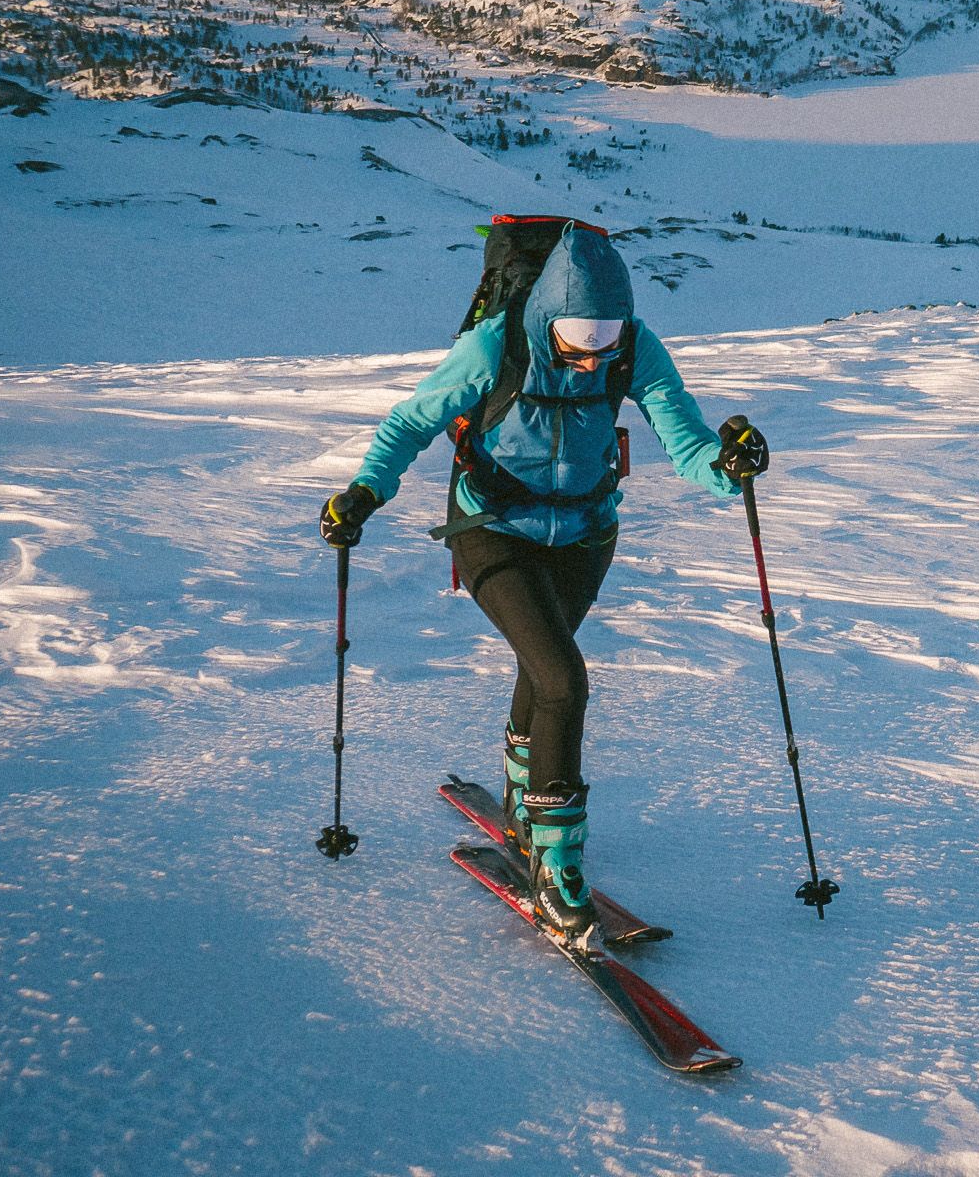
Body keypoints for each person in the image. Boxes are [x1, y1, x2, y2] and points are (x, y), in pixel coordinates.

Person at [319, 222, 768, 937]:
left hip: (586, 534)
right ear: (546, 320)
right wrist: (365, 494)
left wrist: (727, 466)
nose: (593, 362)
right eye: (577, 343)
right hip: (490, 530)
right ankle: (557, 862)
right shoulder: (495, 346)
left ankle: (526, 797)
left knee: (545, 662)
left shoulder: (633, 348)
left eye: (605, 342)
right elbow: (408, 423)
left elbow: (685, 441)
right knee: (563, 677)